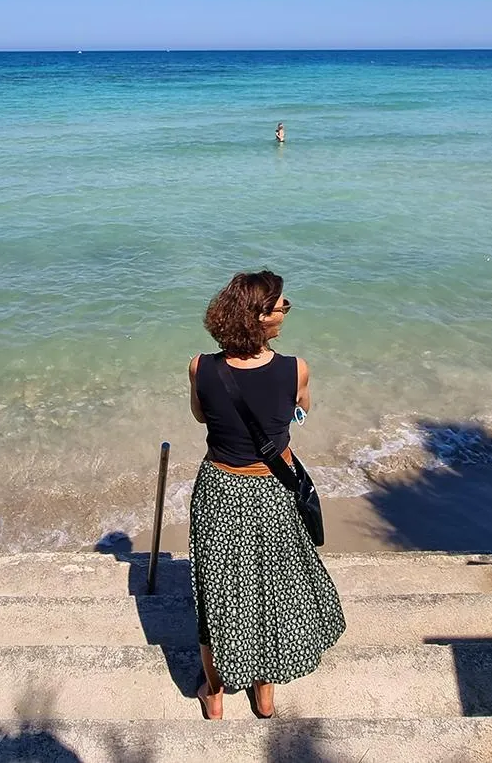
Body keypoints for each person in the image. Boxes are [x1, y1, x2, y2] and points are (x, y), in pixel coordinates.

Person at [186, 270, 344, 720]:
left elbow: (201, 417)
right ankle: (264, 695)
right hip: (275, 488)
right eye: (280, 305)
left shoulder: (201, 366)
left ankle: (213, 696)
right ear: (258, 316)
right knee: (271, 591)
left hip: (219, 488)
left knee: (215, 595)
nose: (285, 311)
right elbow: (302, 410)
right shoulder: (297, 368)